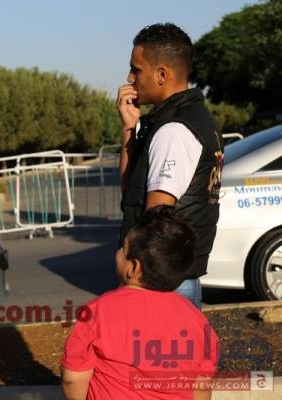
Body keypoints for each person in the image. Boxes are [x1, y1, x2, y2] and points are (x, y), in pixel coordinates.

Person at [61, 205, 220, 400]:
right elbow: (202, 387)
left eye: (123, 247)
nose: (119, 251)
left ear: (133, 267)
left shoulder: (97, 312)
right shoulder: (198, 322)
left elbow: (73, 379)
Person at [117, 23, 224, 308]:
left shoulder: (174, 129)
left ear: (162, 74)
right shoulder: (192, 119)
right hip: (173, 278)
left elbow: (157, 217)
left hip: (161, 283)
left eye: (136, 69)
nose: (129, 78)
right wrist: (129, 128)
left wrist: (133, 272)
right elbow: (130, 192)